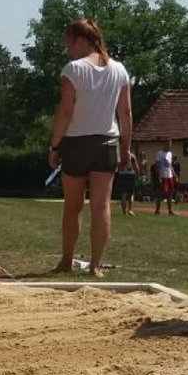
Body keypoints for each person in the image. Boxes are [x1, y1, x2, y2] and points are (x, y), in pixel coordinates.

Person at [47, 19, 133, 276]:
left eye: (70, 43)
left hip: (76, 141)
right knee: (101, 205)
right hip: (107, 141)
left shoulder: (73, 69)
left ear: (81, 40)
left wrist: (55, 145)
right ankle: (95, 265)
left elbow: (66, 111)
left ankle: (66, 261)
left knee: (72, 205)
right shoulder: (119, 70)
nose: (69, 49)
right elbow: (126, 113)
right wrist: (126, 147)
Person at [153, 146, 179, 215]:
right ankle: (157, 210)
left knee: (170, 193)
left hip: (169, 176)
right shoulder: (159, 153)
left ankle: (170, 210)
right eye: (167, 143)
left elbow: (170, 166)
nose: (169, 145)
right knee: (161, 193)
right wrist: (159, 176)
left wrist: (175, 175)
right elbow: (157, 166)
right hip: (162, 176)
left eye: (170, 143)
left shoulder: (170, 154)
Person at [114, 149, 140, 216]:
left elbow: (118, 167)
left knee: (123, 194)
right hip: (130, 174)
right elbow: (136, 167)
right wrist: (137, 173)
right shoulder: (132, 155)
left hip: (122, 174)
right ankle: (130, 210)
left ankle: (124, 211)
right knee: (130, 194)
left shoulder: (119, 155)